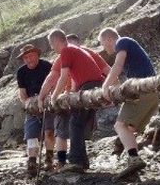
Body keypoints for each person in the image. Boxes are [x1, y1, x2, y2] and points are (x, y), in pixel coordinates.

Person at [38, 33, 110, 169]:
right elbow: (75, 77)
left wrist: (53, 97)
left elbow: (63, 77)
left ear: (56, 42)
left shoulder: (66, 51)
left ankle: (76, 162)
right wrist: (69, 92)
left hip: (89, 86)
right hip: (92, 84)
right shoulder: (76, 50)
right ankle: (82, 162)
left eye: (52, 45)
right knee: (79, 124)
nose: (52, 48)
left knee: (75, 123)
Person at [99, 28, 160, 177]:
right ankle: (128, 155)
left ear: (109, 39)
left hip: (143, 90)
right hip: (153, 92)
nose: (104, 48)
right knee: (130, 128)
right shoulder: (130, 49)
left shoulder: (122, 41)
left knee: (120, 125)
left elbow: (117, 66)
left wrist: (105, 86)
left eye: (103, 44)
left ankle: (133, 159)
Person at [16, 44, 55, 177]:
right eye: (25, 57)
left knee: (49, 132)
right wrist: (27, 102)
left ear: (37, 55)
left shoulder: (47, 66)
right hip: (32, 104)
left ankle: (49, 160)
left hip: (48, 102)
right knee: (31, 135)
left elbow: (53, 83)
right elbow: (21, 92)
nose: (28, 59)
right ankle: (32, 163)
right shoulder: (21, 72)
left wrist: (46, 98)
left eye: (31, 56)